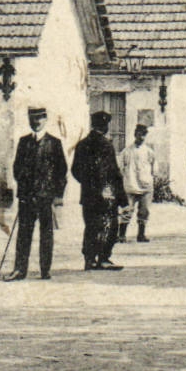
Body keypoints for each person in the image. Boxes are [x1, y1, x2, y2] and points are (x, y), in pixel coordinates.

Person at [6, 106, 67, 280]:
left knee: (46, 234)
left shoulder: (54, 143)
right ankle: (19, 270)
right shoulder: (24, 142)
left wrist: (57, 196)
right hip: (27, 197)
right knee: (24, 233)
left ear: (45, 119)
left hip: (45, 197)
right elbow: (17, 168)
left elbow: (61, 171)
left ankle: (45, 269)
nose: (36, 122)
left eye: (39, 119)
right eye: (32, 119)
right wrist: (24, 187)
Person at [70, 110, 125, 271]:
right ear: (105, 126)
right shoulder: (106, 145)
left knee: (91, 226)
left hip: (88, 194)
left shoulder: (82, 144)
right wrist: (121, 198)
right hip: (106, 194)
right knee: (109, 225)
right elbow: (114, 172)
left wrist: (88, 184)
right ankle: (103, 258)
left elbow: (75, 170)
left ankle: (89, 259)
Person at [117, 123, 156, 243]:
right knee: (127, 210)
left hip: (145, 186)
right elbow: (120, 167)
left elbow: (154, 169)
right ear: (135, 135)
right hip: (131, 185)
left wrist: (149, 179)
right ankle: (122, 235)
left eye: (144, 135)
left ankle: (141, 235)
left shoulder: (149, 151)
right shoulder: (127, 151)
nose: (141, 137)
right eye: (139, 135)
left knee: (144, 211)